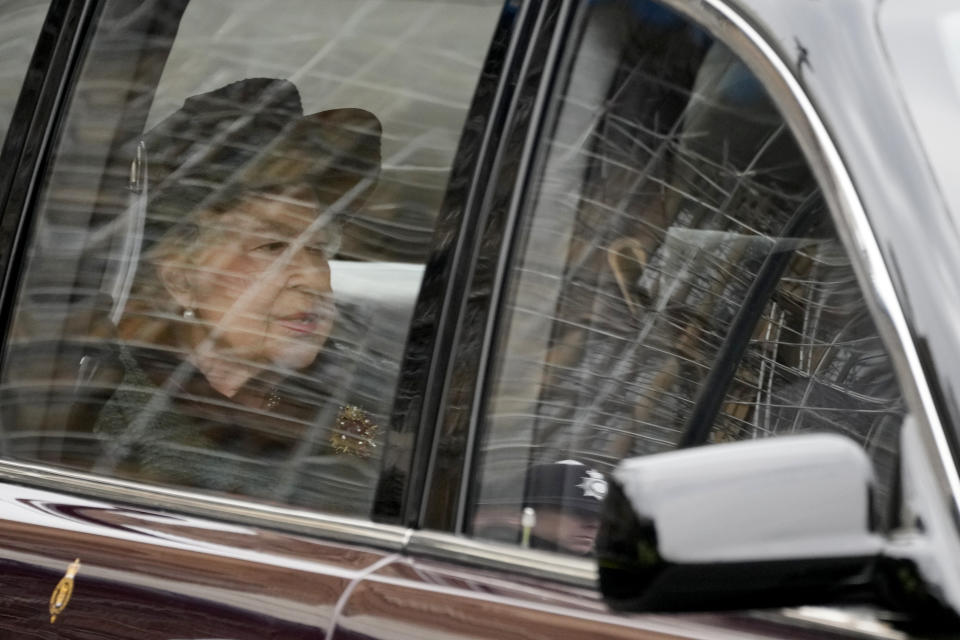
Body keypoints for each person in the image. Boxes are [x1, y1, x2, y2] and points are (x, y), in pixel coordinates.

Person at [88, 77, 384, 513]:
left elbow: (387, 472)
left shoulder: (338, 398)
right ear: (181, 278)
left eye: (319, 249)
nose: (315, 279)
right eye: (271, 246)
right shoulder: (107, 409)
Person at [472, 460, 608, 556]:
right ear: (527, 514)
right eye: (579, 512)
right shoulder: (491, 553)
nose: (593, 525)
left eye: (600, 518)